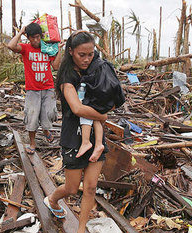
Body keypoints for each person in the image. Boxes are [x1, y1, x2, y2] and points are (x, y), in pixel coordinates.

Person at [45, 31, 125, 233]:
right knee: (72, 188)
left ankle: (81, 229)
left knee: (90, 188)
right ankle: (53, 199)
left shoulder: (96, 69)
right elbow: (78, 109)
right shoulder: (67, 77)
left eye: (90, 54)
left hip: (94, 137)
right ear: (70, 52)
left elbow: (108, 93)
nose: (87, 59)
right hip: (73, 137)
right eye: (82, 54)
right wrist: (103, 116)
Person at [7, 22, 63, 154]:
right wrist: (21, 32)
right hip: (33, 90)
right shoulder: (26, 48)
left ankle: (45, 129)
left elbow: (55, 67)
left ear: (41, 36)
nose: (36, 40)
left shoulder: (47, 49)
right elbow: (11, 46)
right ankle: (32, 143)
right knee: (32, 116)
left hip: (48, 88)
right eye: (33, 38)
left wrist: (59, 49)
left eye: (38, 37)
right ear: (28, 37)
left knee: (49, 113)